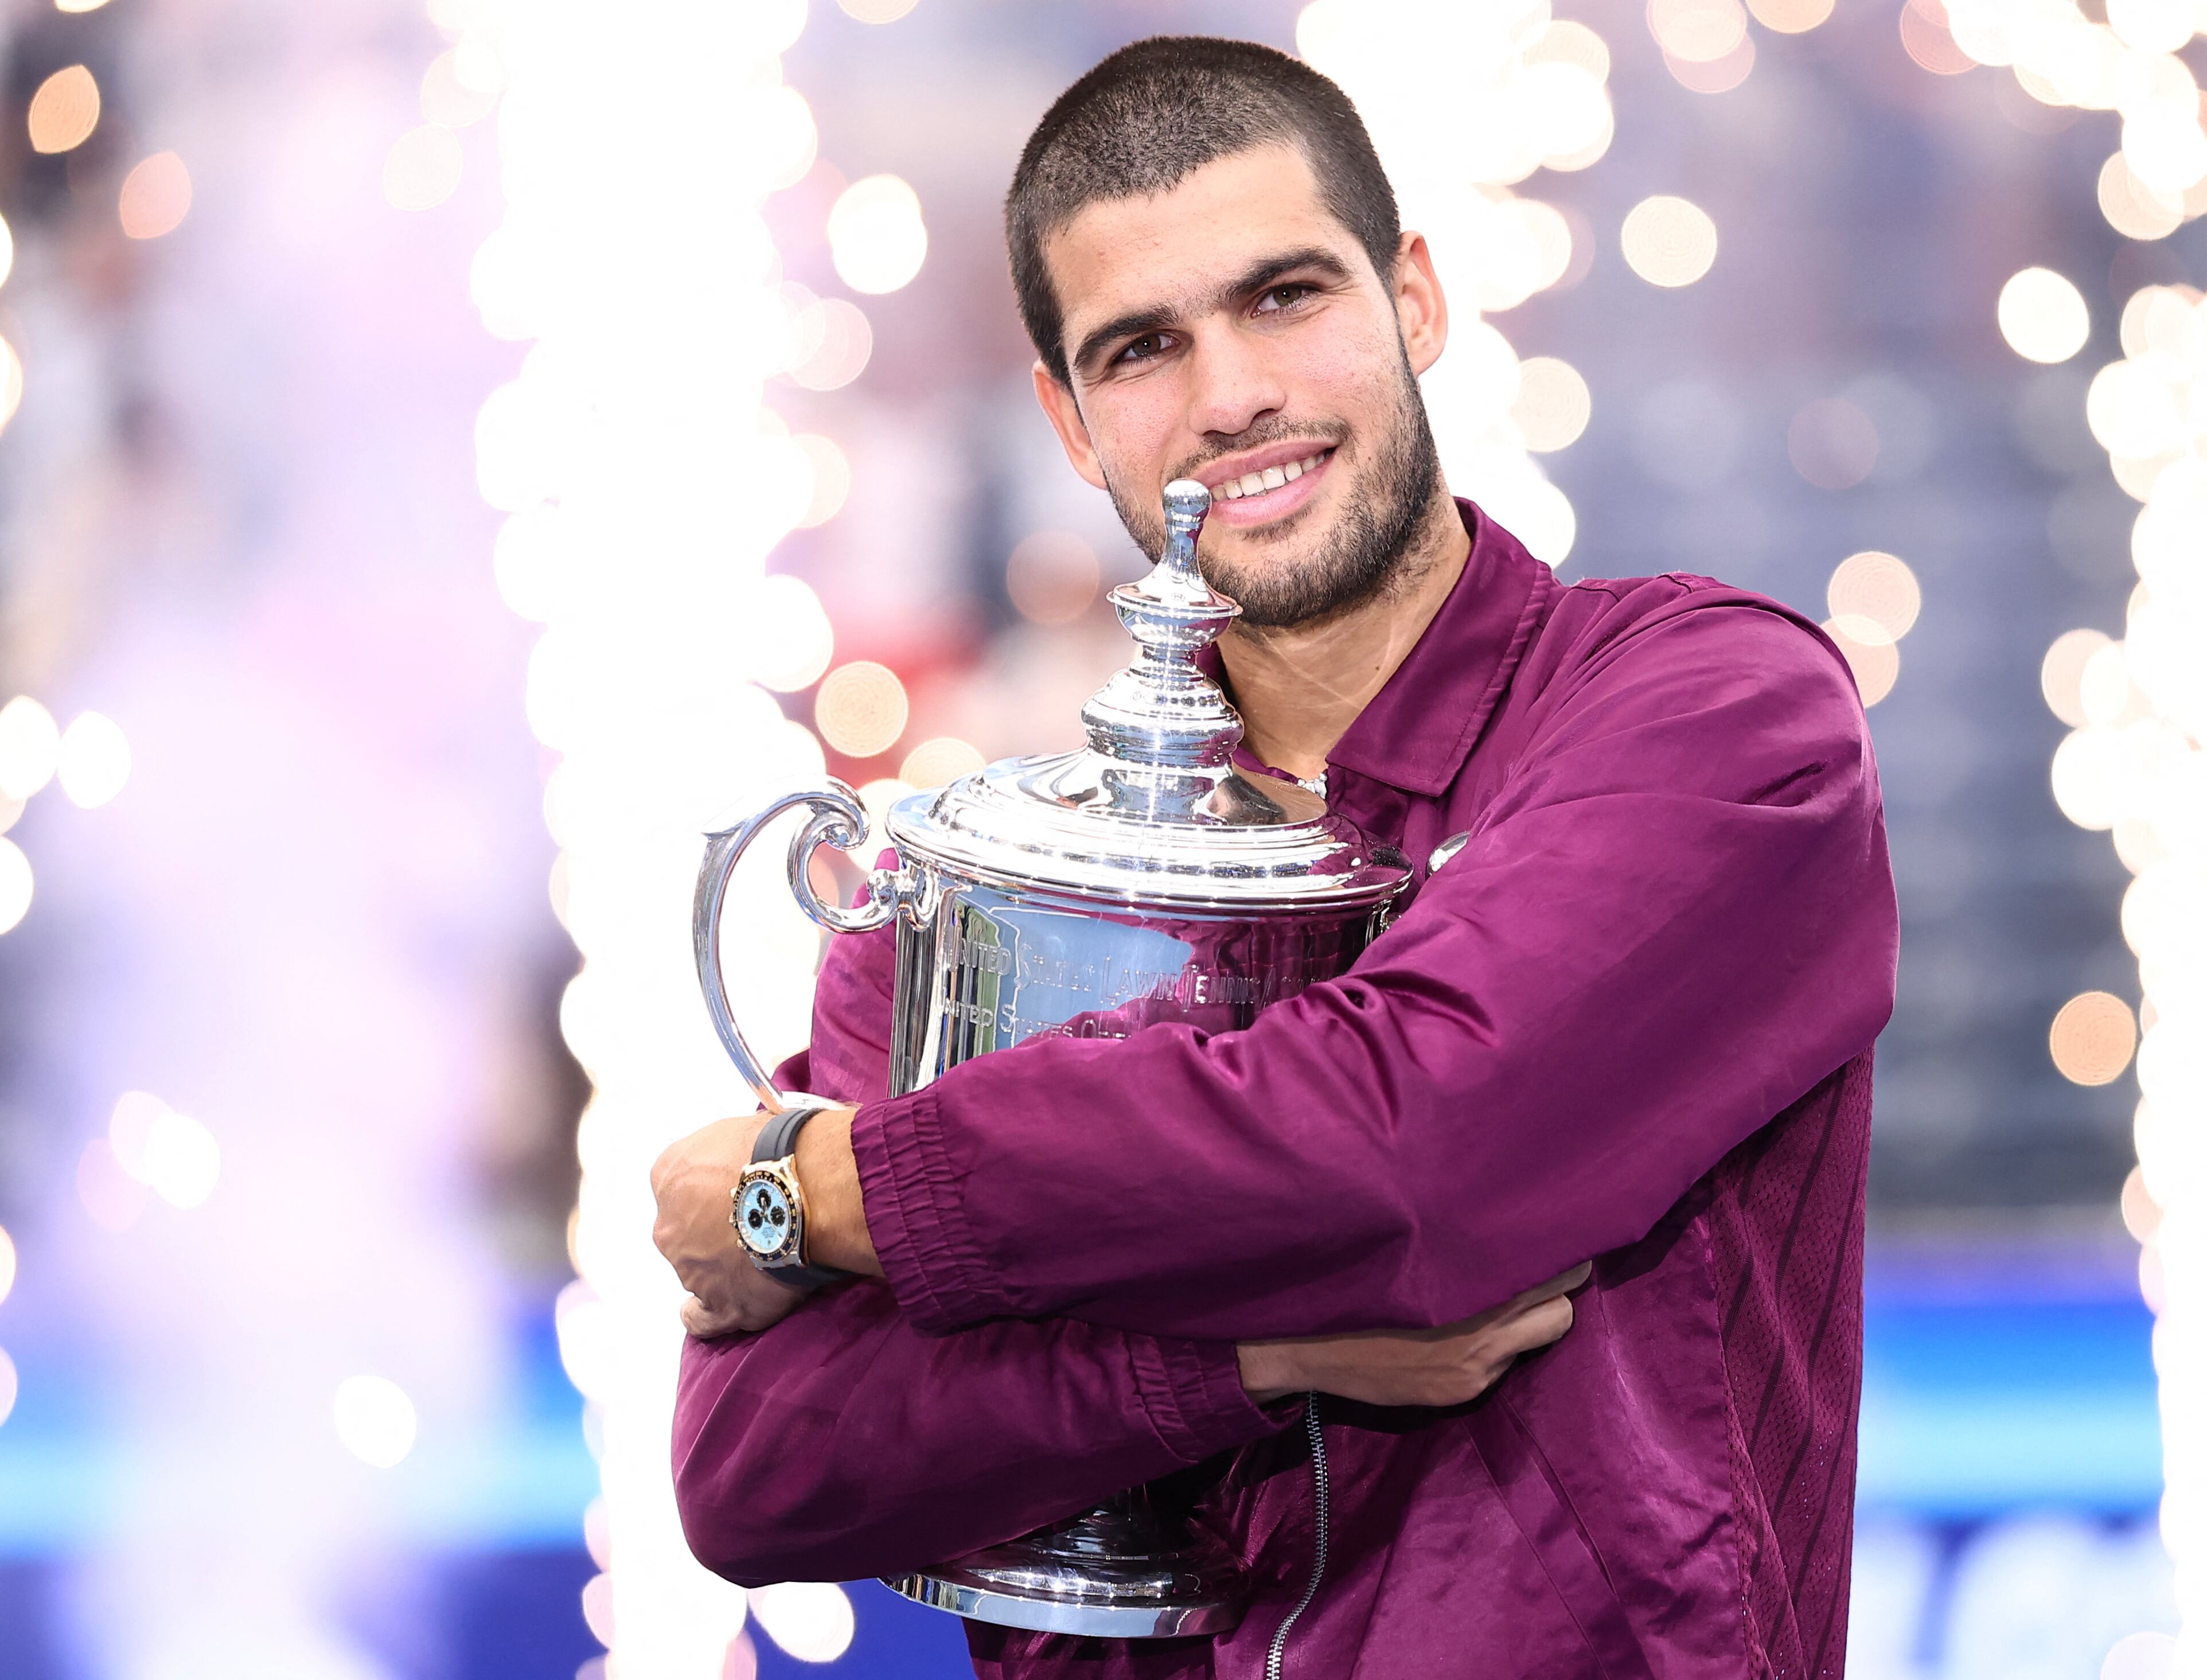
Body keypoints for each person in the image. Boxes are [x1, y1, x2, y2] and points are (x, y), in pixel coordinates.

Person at [652, 34, 1896, 1680]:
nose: (1230, 393)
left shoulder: (1709, 714)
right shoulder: (997, 881)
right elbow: (757, 1465)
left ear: (1417, 301)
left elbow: (1407, 1147)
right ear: (1072, 421)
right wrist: (1246, 1354)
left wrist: (823, 1190)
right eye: (1141, 347)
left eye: (1285, 296)